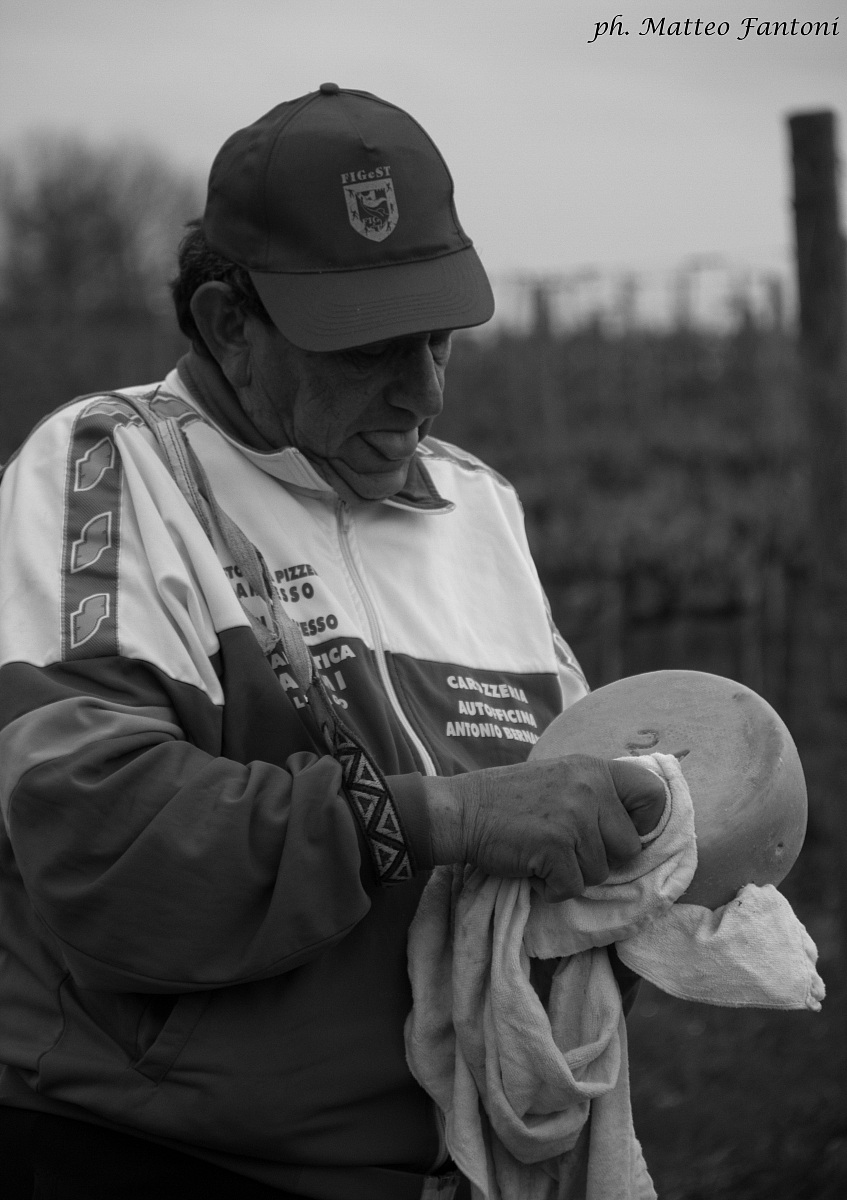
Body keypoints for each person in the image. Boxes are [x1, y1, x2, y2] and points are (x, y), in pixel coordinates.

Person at [0, 85, 665, 1199]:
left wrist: (655, 838)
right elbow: (98, 838)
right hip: (153, 1151)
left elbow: (554, 812)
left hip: (459, 1162)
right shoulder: (111, 469)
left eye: (439, 336)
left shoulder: (477, 504)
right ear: (227, 325)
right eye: (370, 347)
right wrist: (446, 817)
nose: (425, 392)